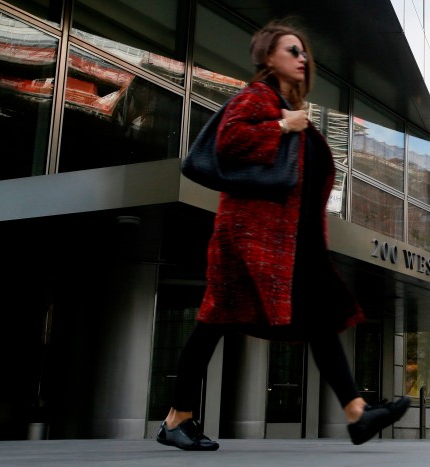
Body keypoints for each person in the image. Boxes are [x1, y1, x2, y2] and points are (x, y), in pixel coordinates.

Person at [156, 19, 410, 451]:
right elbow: (229, 140)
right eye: (292, 50)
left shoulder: (291, 110)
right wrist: (281, 127)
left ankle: (356, 414)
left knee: (318, 319)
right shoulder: (258, 98)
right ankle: (177, 419)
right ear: (267, 58)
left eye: (304, 52)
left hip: (291, 241)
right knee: (211, 322)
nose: (302, 57)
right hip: (251, 239)